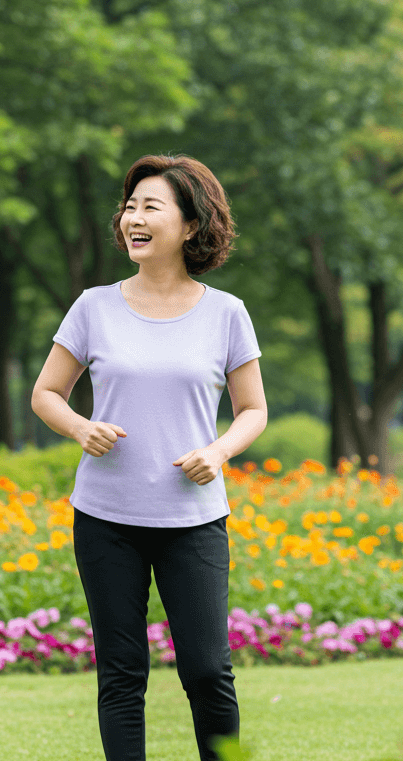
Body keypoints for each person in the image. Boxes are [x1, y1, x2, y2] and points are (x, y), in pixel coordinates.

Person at [31, 154, 268, 760]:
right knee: (121, 672)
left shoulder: (226, 312)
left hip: (193, 518)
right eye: (129, 207)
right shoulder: (93, 306)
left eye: (150, 207)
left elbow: (252, 410)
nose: (133, 218)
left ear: (190, 225)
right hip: (105, 518)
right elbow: (46, 393)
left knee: (208, 670)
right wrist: (81, 427)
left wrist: (218, 451)